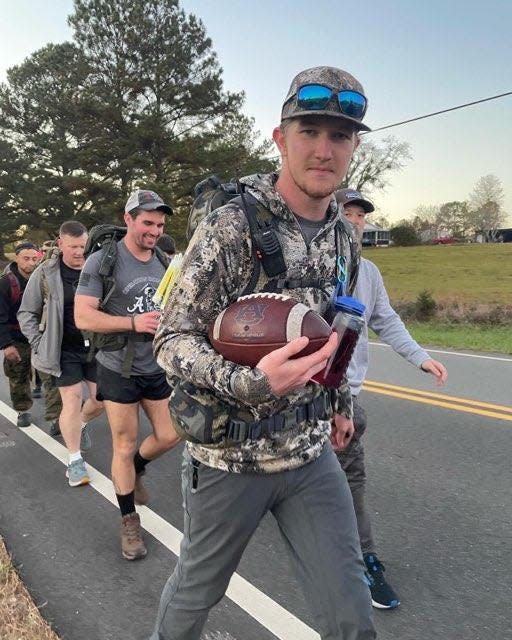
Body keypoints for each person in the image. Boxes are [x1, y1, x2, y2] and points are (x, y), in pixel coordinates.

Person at [151, 66, 376, 640]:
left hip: (309, 455)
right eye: (310, 131)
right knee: (195, 597)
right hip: (231, 460)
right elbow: (170, 341)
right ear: (281, 138)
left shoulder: (344, 236)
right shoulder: (232, 227)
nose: (325, 150)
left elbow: (336, 329)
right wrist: (252, 383)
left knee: (352, 612)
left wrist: (342, 401)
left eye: (341, 136)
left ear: (353, 147)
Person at [336, 187, 448, 609]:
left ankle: (365, 560)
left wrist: (420, 358)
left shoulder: (369, 274)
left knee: (351, 480)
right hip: (304, 394)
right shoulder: (311, 264)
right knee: (302, 478)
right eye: (346, 212)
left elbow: (386, 320)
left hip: (348, 397)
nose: (355, 220)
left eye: (361, 215)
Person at [74, 189, 180, 561]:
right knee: (123, 443)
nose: (154, 230)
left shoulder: (165, 261)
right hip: (117, 366)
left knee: (170, 433)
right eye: (147, 222)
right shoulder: (103, 262)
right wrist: (132, 321)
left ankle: (136, 469)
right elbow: (83, 316)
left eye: (160, 224)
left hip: (156, 365)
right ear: (129, 219)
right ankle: (129, 520)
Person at [18, 221, 104, 486]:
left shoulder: (98, 268)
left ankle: (79, 424)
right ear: (61, 244)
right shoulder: (45, 272)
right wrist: (39, 342)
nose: (80, 251)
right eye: (74, 246)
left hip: (96, 346)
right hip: (62, 348)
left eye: (83, 246)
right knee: (72, 399)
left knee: (102, 399)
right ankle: (75, 461)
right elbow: (26, 312)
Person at [0, 243, 40, 427]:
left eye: (34, 258)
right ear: (16, 258)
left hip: (41, 333)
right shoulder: (6, 283)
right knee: (17, 373)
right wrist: (6, 345)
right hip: (17, 337)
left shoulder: (42, 278)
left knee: (54, 371)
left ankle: (57, 415)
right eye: (26, 258)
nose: (31, 262)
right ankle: (22, 409)